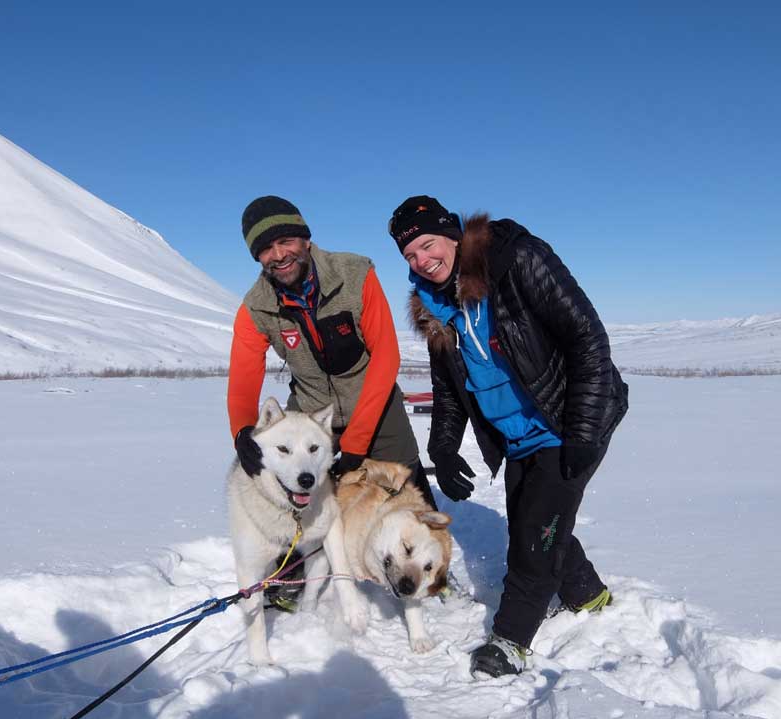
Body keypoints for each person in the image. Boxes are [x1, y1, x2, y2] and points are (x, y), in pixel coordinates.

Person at [389, 195, 628, 679]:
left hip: (570, 417)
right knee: (532, 519)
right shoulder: (432, 307)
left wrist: (582, 427)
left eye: (428, 245)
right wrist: (443, 445)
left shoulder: (515, 259)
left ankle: (511, 640)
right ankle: (588, 594)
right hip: (519, 435)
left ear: (453, 234)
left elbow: (587, 337)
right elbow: (449, 387)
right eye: (410, 255)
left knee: (532, 536)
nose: (421, 260)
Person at [228, 194, 435, 509]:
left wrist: (356, 441)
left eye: (286, 241)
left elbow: (386, 355)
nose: (279, 254)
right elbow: (243, 381)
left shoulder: (355, 274)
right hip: (312, 410)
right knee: (295, 501)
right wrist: (243, 432)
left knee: (408, 499)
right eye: (266, 249)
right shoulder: (256, 307)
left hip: (375, 404)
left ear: (306, 241)